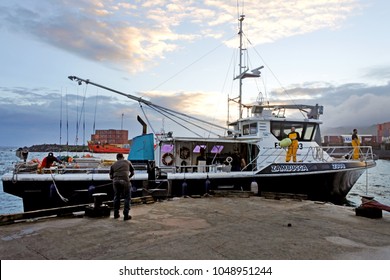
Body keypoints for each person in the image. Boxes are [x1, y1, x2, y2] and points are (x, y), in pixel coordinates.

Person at [109, 153, 135, 221]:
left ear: (117, 158)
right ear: (123, 157)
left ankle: (116, 214)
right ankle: (126, 215)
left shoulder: (113, 165)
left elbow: (111, 176)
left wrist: (116, 178)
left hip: (115, 182)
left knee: (116, 197)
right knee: (127, 197)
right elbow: (132, 172)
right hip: (125, 181)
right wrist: (128, 177)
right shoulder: (128, 162)